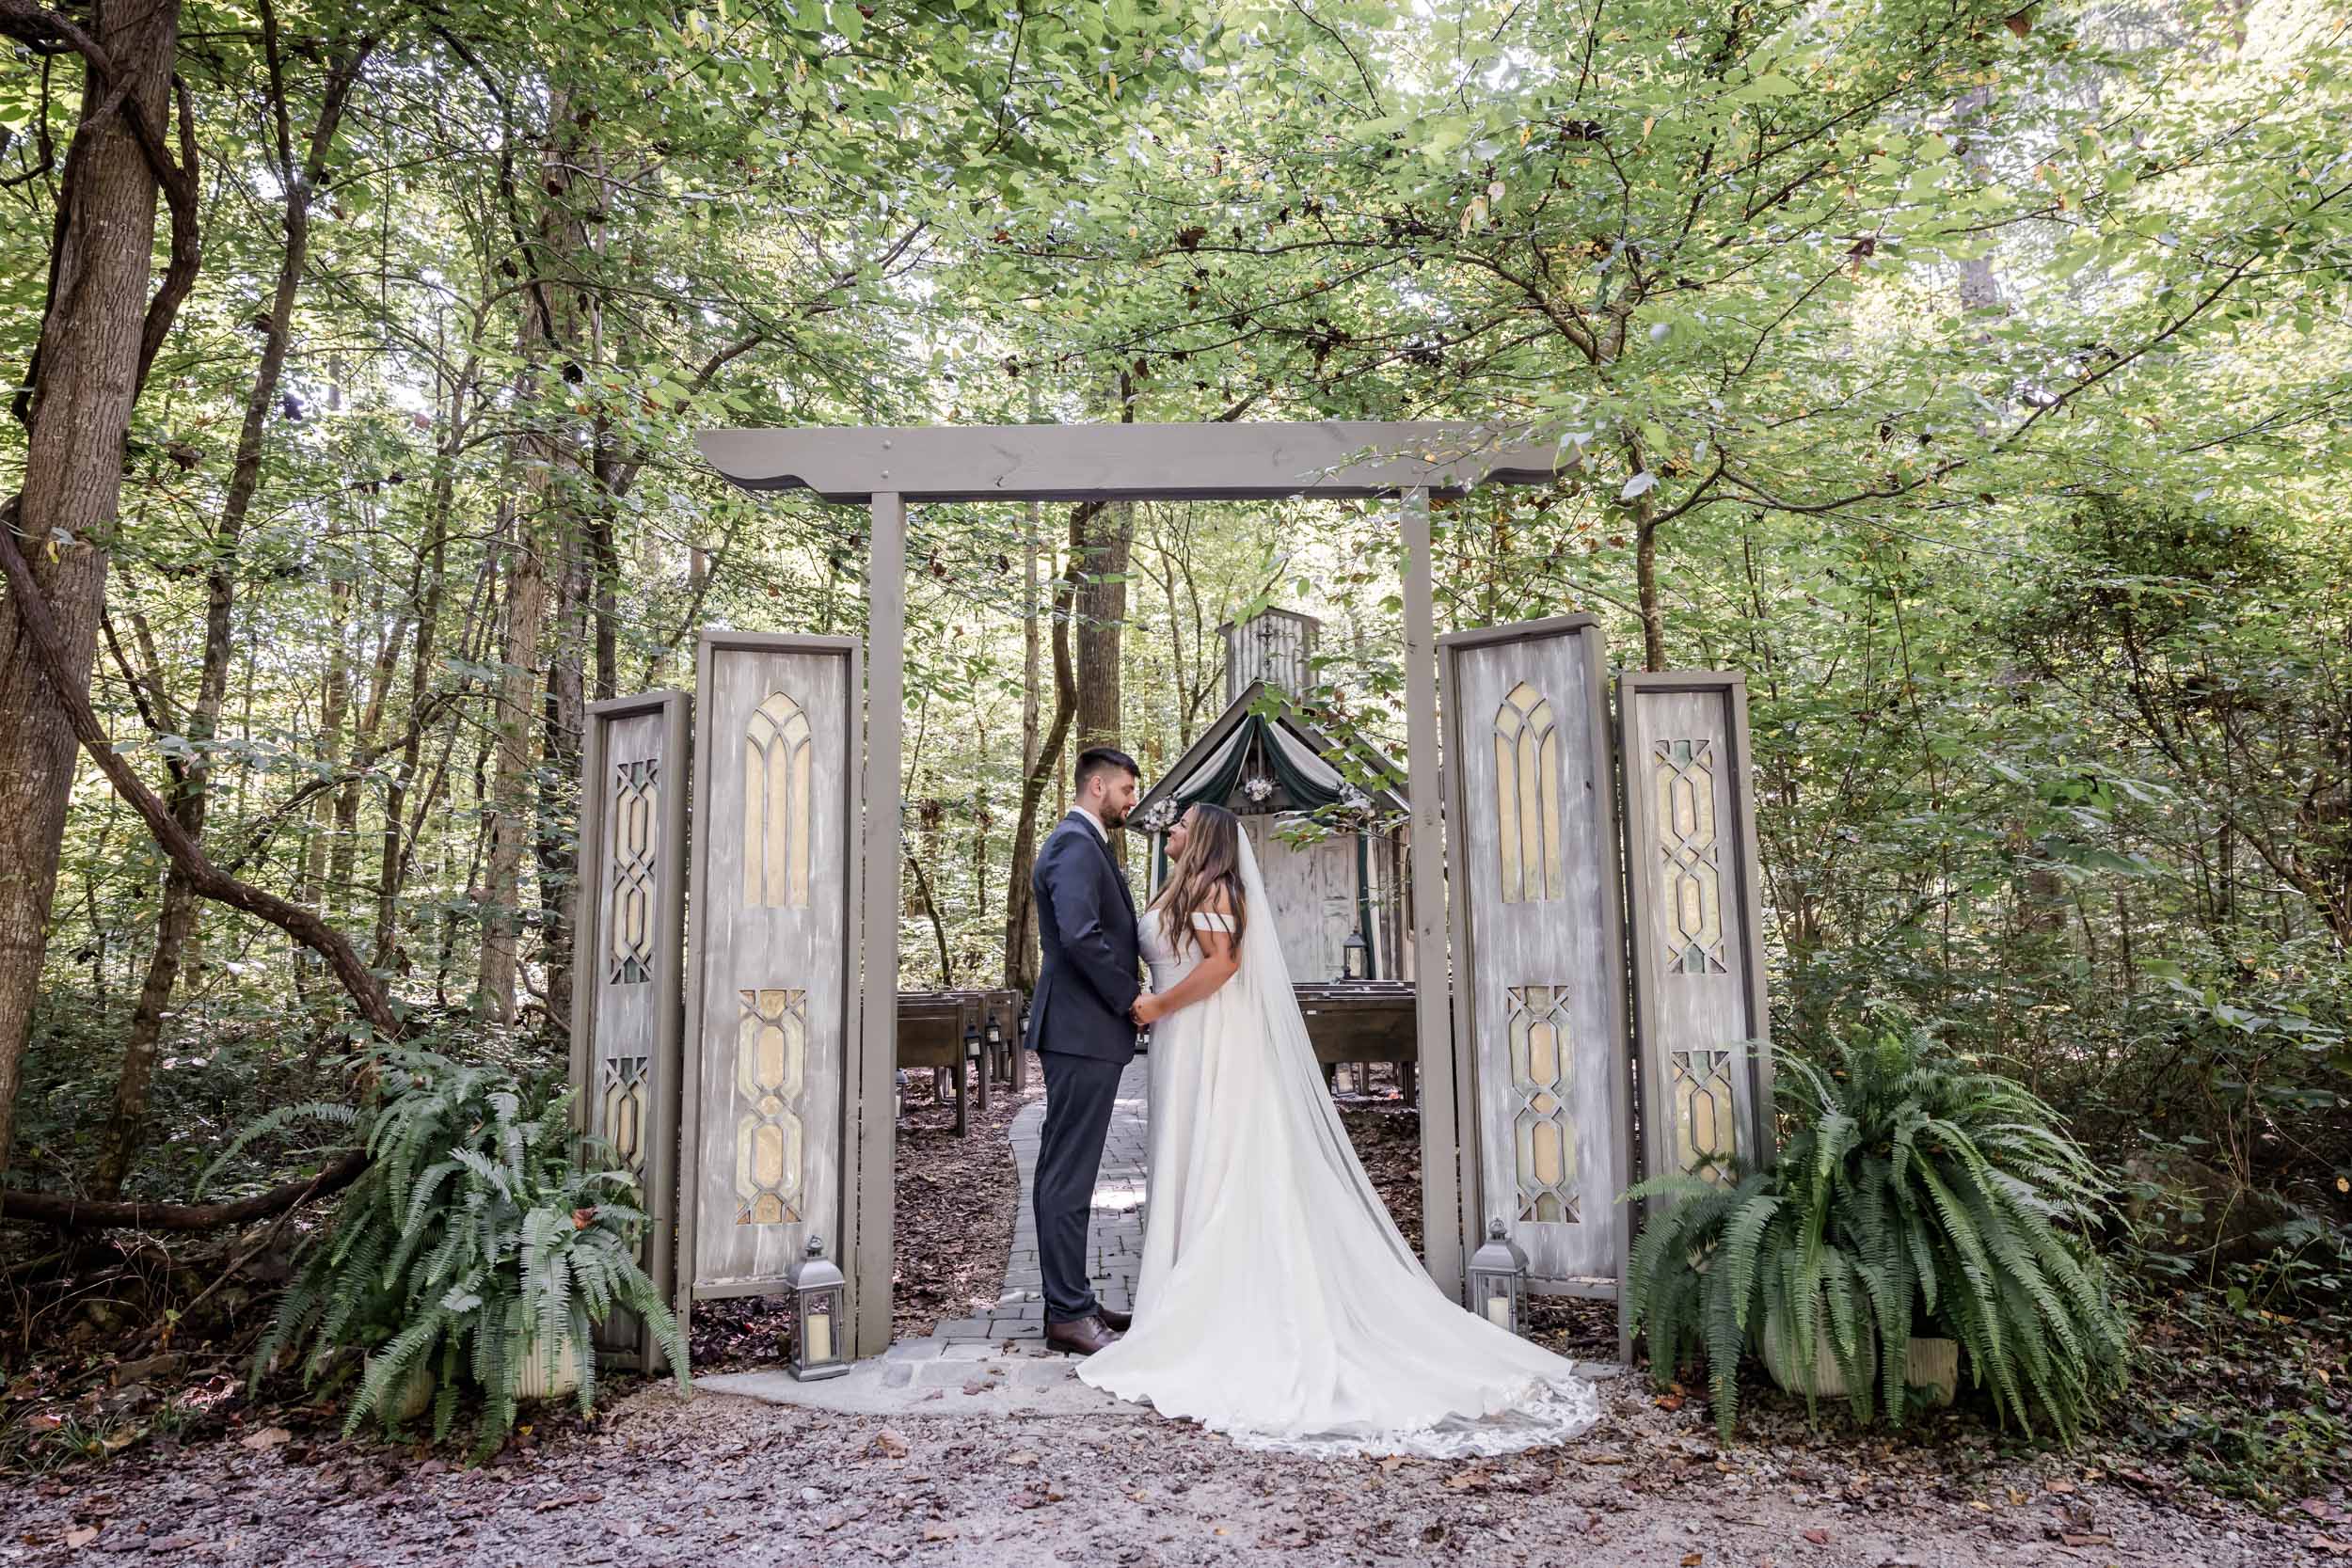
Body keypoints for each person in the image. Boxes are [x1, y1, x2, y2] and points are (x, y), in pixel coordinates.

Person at [1075, 801, 1600, 1457]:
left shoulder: (1213, 887)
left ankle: (1211, 1305)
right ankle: (1177, 1290)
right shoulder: (1183, 887)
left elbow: (1222, 965)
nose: (1172, 830)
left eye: (1181, 823)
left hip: (1210, 1040)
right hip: (1184, 1044)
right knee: (1190, 1159)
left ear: (1204, 836)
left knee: (1220, 1160)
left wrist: (1157, 1003)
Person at [1024, 746, 1145, 1357]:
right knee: (1068, 1175)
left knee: (1063, 1171)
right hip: (1081, 1031)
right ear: (1096, 785)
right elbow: (1078, 933)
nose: (1131, 799)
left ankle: (1073, 1299)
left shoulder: (1082, 842)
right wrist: (1130, 997)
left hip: (1079, 1032)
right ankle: (1067, 1312)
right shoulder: (1075, 844)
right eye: (1126, 788)